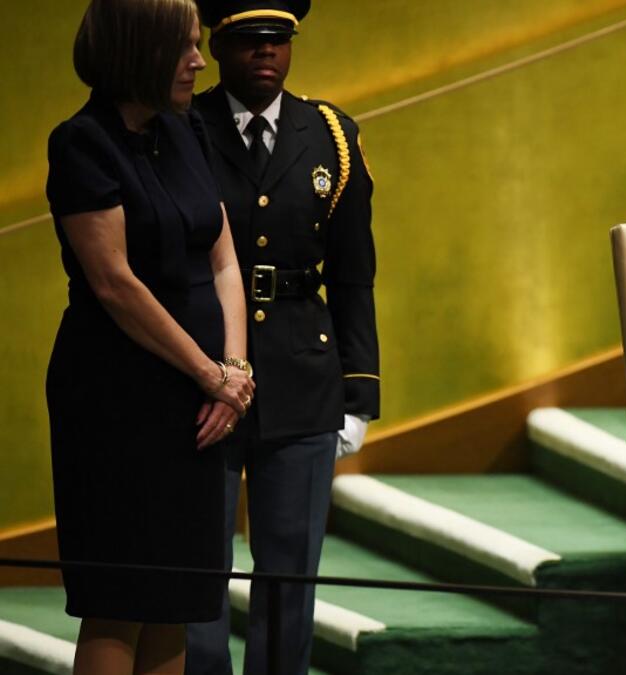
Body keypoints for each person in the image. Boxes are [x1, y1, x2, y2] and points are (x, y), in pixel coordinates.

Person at [45, 0, 256, 673]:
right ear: (139, 49)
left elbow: (223, 255)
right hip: (118, 400)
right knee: (121, 597)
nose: (199, 60)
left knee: (178, 598)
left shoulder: (184, 127)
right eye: (186, 47)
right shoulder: (82, 142)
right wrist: (209, 374)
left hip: (198, 397)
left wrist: (234, 369)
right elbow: (114, 282)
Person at [185, 1, 380, 673]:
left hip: (303, 371)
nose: (265, 53)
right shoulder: (183, 127)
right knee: (200, 565)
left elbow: (354, 273)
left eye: (278, 40)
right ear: (218, 45)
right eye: (248, 41)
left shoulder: (329, 134)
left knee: (291, 568)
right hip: (204, 371)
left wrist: (359, 390)